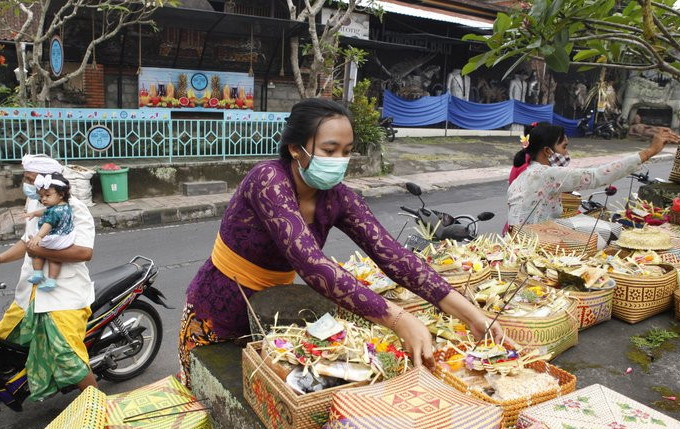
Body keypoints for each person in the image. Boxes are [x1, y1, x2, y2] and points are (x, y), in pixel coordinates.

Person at [179, 98, 503, 386]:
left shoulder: (338, 199)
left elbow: (394, 256)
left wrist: (471, 314)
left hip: (276, 314)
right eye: (329, 150)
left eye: (346, 152)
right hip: (218, 308)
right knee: (212, 396)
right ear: (296, 148)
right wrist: (399, 319)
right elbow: (313, 265)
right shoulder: (268, 181)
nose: (339, 160)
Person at [0, 154, 96, 403]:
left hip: (63, 294)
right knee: (6, 337)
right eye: (28, 179)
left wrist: (39, 251)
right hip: (29, 293)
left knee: (68, 355)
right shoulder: (37, 204)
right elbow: (26, 242)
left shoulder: (75, 209)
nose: (29, 185)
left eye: (33, 180)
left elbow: (85, 252)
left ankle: (98, 406)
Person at [507, 123, 680, 227]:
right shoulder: (547, 174)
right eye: (564, 147)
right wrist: (650, 151)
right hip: (533, 247)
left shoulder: (524, 176)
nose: (567, 153)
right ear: (547, 151)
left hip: (521, 243)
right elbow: (598, 176)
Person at [25, 173, 75, 291]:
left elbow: (48, 224)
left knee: (37, 251)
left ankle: (38, 273)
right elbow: (45, 211)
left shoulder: (54, 211)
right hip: (65, 237)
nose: (44, 199)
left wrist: (39, 236)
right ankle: (51, 280)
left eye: (47, 195)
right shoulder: (64, 206)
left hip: (53, 237)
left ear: (61, 194)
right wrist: (34, 213)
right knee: (55, 259)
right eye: (42, 196)